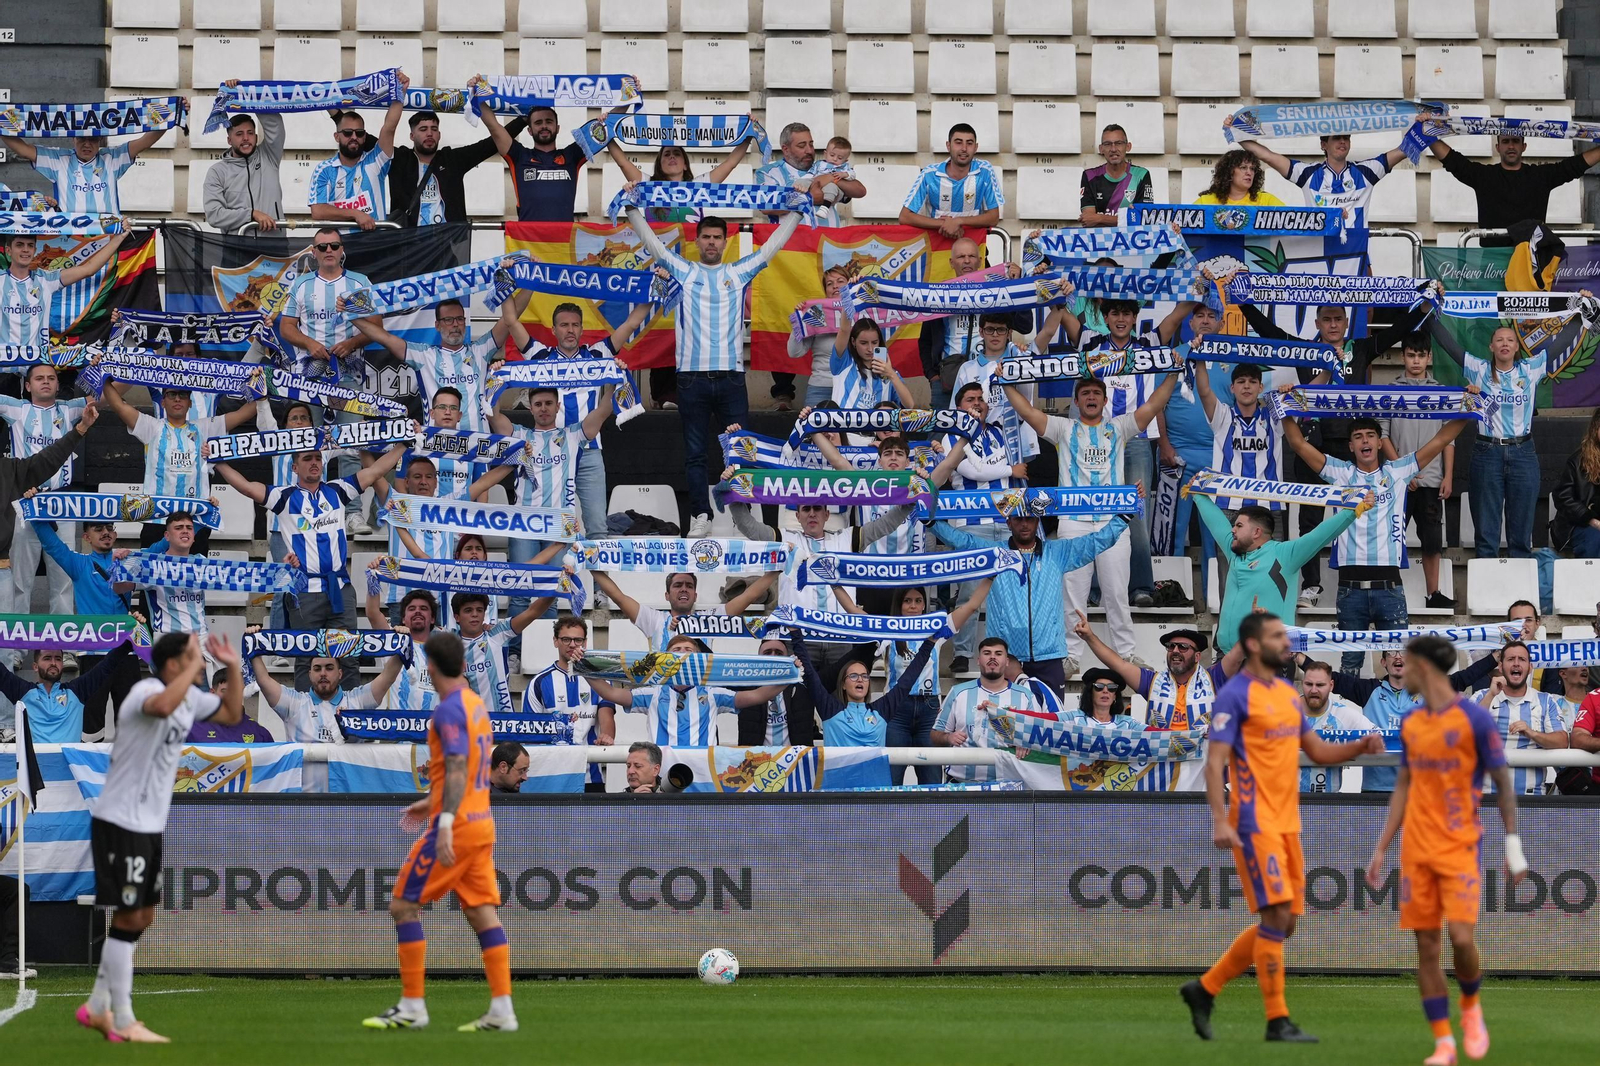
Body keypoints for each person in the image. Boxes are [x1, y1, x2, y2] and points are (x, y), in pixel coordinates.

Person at [1179, 612, 1383, 1045]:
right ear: (1254, 645)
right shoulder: (1234, 696)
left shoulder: (1288, 698)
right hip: (1253, 823)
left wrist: (1360, 746)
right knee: (1275, 916)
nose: (1285, 642)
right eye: (1276, 636)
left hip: (1288, 823)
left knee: (1286, 922)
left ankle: (1205, 988)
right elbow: (1215, 764)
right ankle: (1277, 1020)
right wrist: (1220, 818)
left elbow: (1319, 752)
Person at [1365, 634, 1527, 1065]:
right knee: (1427, 948)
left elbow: (1503, 781)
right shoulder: (1412, 723)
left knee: (1460, 938)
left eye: (1408, 662)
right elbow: (1404, 784)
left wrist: (1514, 845)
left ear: (1426, 668)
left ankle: (1471, 1006)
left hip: (1459, 845)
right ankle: (1444, 1043)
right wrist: (1382, 847)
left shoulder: (1473, 719)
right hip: (1416, 849)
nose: (1401, 667)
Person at [76, 632, 243, 1044]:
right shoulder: (146, 690)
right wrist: (191, 671)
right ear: (173, 664)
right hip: (119, 822)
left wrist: (235, 667)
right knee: (130, 914)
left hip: (148, 825)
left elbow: (232, 714)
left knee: (144, 915)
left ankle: (97, 1007)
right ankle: (122, 1018)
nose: (200, 662)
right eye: (192, 656)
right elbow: (164, 705)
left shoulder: (187, 696)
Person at [364, 631, 515, 1032]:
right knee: (482, 914)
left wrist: (442, 821)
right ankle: (502, 1010)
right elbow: (468, 769)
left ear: (429, 667)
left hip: (459, 825)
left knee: (402, 905)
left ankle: (413, 1006)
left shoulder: (448, 711)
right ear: (463, 666)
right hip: (482, 825)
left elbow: (460, 768)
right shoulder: (475, 705)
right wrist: (430, 802)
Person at [625, 209, 803, 536]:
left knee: (741, 450)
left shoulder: (738, 271)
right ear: (696, 241)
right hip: (691, 379)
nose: (711, 242)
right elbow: (653, 245)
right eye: (705, 237)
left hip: (731, 378)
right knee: (695, 454)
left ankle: (742, 517)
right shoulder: (683, 269)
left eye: (716, 237)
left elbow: (773, 246)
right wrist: (632, 209)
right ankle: (700, 516)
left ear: (725, 242)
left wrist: (797, 212)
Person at [1004, 365, 1182, 667]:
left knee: (1116, 593)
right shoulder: (1064, 429)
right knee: (1073, 594)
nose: (1090, 397)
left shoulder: (1120, 427)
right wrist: (1006, 382)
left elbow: (1153, 404)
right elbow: (1029, 413)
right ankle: (1070, 657)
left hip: (1112, 525)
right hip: (1074, 524)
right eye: (1084, 393)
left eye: (1096, 393)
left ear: (1105, 400)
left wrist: (1174, 372)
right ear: (1076, 402)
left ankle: (1125, 654)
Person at [1281, 414, 1471, 673]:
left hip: (1389, 588)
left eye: (1370, 435)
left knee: (1399, 664)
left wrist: (1469, 410)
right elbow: (1298, 445)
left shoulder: (1398, 471)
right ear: (1351, 446)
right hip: (1350, 590)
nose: (1365, 441)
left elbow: (1442, 438)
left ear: (1380, 442)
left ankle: (1396, 714)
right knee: (1350, 665)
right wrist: (1285, 410)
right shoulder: (1341, 472)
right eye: (1358, 437)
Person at [212, 442, 407, 691]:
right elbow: (248, 488)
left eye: (318, 458)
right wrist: (218, 462)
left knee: (348, 656)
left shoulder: (338, 490)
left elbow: (376, 471)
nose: (314, 462)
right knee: (306, 657)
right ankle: (307, 717)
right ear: (294, 466)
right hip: (304, 591)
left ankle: (349, 719)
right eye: (307, 458)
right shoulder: (283, 497)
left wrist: (403, 445)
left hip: (340, 588)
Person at [930, 509, 1130, 693]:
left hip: (1049, 656)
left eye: (1030, 519)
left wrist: (1124, 516)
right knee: (1007, 725)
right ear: (1008, 522)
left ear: (1038, 521)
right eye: (1018, 519)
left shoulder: (1057, 552)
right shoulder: (995, 553)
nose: (1024, 524)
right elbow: (960, 540)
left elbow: (1096, 542)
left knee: (1050, 724)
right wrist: (928, 519)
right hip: (1006, 657)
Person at [508, 299, 652, 538]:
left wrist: (653, 290)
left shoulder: (598, 354)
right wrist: (520, 279)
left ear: (582, 329)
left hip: (589, 450)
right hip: (550, 454)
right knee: (552, 527)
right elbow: (511, 321)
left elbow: (632, 323)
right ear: (553, 330)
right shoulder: (540, 355)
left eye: (575, 325)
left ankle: (598, 577)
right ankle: (556, 575)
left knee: (597, 527)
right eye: (564, 325)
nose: (570, 330)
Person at [474, 383, 619, 617]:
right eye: (538, 404)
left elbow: (603, 411)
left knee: (550, 592)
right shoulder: (519, 434)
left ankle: (544, 651)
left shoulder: (572, 435)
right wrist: (497, 383)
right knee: (519, 590)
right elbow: (492, 414)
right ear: (530, 408)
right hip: (523, 524)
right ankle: (516, 652)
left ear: (558, 406)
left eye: (548, 404)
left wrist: (612, 382)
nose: (543, 409)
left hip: (558, 527)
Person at [830, 579, 992, 782]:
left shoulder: (936, 628)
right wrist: (834, 584)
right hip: (896, 711)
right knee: (891, 781)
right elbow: (853, 611)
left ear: (925, 604)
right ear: (899, 604)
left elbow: (971, 606)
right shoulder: (888, 629)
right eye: (907, 601)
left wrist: (990, 577)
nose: (913, 606)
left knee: (932, 783)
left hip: (929, 712)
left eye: (918, 600)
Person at [278, 226, 384, 528]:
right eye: (322, 247)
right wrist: (310, 344)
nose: (328, 251)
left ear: (342, 251)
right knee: (309, 443)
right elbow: (286, 328)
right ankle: (315, 511)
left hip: (348, 372)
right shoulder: (301, 284)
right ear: (313, 252)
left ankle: (352, 513)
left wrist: (351, 343)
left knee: (351, 442)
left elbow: (376, 324)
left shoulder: (358, 282)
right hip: (308, 375)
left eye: (334, 246)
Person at [1426, 318, 1547, 560]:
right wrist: (1428, 312)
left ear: (1517, 347)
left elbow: (1559, 339)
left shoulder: (1530, 369)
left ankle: (1520, 596)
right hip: (1487, 452)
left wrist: (1580, 312)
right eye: (1499, 340)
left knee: (1522, 537)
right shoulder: (1478, 369)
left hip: (1523, 452)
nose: (1505, 343)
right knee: (1486, 537)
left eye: (1510, 340)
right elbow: (1449, 344)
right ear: (1491, 347)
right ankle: (1487, 596)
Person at [1075, 618, 1243, 790]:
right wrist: (1089, 637)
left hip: (1203, 772)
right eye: (1171, 646)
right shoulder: (1152, 681)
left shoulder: (1213, 678)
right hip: (1162, 773)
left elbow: (1237, 657)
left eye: (1183, 647)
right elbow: (1118, 664)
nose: (1175, 651)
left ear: (1197, 656)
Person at [1192, 494, 1365, 653]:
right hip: (1229, 657)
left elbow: (1321, 534)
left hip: (1269, 658)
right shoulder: (1234, 551)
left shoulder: (1285, 555)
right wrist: (1198, 493)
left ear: (1256, 532)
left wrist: (1354, 508)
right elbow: (1215, 522)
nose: (1232, 530)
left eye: (1239, 525)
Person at [1316, 647, 1498, 793]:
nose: (1398, 657)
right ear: (1383, 662)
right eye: (1392, 653)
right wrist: (1298, 656)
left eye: (1403, 652)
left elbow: (1463, 678)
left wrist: (1496, 657)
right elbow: (1328, 678)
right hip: (1376, 789)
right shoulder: (1368, 689)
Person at [937, 385, 1027, 670]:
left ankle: (1015, 655)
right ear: (958, 406)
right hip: (972, 526)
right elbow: (971, 471)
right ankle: (962, 653)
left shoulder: (1002, 432)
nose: (977, 403)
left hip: (1008, 523)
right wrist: (1009, 471)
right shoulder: (951, 435)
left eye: (980, 399)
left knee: (1014, 594)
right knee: (969, 593)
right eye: (969, 399)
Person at [347, 291, 525, 433]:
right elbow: (384, 337)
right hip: (437, 446)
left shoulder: (481, 350)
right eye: (448, 320)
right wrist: (351, 315)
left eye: (459, 319)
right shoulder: (424, 355)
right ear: (437, 325)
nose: (455, 324)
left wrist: (530, 281)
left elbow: (509, 318)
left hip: (477, 448)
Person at [32, 518, 143, 732]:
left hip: (125, 653)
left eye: (110, 528)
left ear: (116, 534)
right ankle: (90, 766)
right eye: (98, 529)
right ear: (86, 537)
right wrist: (36, 512)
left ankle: (128, 765)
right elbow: (51, 543)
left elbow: (165, 548)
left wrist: (202, 517)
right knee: (92, 723)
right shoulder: (79, 564)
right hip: (93, 653)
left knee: (131, 723)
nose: (105, 532)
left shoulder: (128, 562)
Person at [585, 633, 787, 747]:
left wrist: (791, 675)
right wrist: (582, 667)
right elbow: (610, 693)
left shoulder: (712, 693)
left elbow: (758, 695)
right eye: (676, 651)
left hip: (701, 773)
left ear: (699, 658)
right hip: (661, 770)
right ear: (665, 657)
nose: (682, 655)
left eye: (688, 650)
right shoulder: (653, 693)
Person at [0, 363, 85, 621]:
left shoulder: (70, 408)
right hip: (25, 502)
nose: (45, 382)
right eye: (39, 378)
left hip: (62, 502)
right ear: (27, 386)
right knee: (20, 581)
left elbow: (105, 396)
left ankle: (62, 650)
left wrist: (103, 366)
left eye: (51, 378)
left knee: (63, 580)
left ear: (59, 384)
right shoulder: (16, 407)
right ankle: (14, 654)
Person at [1382, 334, 1456, 606]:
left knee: (1432, 541)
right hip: (1399, 482)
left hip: (1433, 479)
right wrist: (1402, 471)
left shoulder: (1441, 391)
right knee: (1391, 538)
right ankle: (1388, 592)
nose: (1416, 361)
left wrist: (1448, 476)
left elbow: (1449, 437)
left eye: (1421, 355)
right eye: (1411, 355)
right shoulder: (1390, 390)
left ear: (1429, 358)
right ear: (1403, 357)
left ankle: (1433, 593)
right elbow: (1382, 434)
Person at [1425, 133, 1600, 243]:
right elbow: (1454, 162)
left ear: (1524, 146)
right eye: (1506, 141)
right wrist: (1428, 133)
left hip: (1530, 257)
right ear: (1497, 147)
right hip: (1492, 260)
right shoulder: (1483, 176)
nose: (1510, 146)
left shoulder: (1541, 176)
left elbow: (1574, 166)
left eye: (1516, 141)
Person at [796, 630, 937, 766]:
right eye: (853, 676)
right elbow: (810, 673)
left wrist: (930, 643)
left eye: (864, 676)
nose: (860, 680)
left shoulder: (882, 710)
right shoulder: (830, 709)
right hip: (838, 789)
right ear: (843, 684)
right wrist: (794, 632)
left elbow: (908, 679)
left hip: (875, 789)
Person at [917, 237, 1029, 407]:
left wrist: (1019, 285)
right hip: (947, 381)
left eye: (972, 256)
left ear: (980, 261)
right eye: (961, 257)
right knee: (941, 433)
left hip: (990, 375)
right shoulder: (939, 296)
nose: (967, 261)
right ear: (951, 262)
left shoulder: (996, 292)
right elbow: (925, 341)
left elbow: (1025, 325)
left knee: (991, 428)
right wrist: (933, 376)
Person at [1232, 130, 1408, 231]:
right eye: (1336, 138)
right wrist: (1236, 133)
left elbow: (1404, 149)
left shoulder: (1366, 171)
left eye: (1346, 138)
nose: (1342, 142)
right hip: (1320, 251)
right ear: (1323, 144)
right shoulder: (1308, 174)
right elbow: (1268, 156)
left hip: (1356, 251)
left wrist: (1425, 127)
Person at [1, 111, 177, 213]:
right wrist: (1, 124)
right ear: (73, 139)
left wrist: (172, 112)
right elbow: (22, 149)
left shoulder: (112, 158)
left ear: (100, 140)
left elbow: (145, 141)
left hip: (107, 238)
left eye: (92, 139)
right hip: (71, 238)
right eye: (82, 138)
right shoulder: (59, 160)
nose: (87, 144)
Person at [523, 614, 617, 793]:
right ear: (555, 641)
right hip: (552, 775)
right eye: (566, 639)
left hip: (590, 775)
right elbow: (531, 734)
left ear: (585, 642)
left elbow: (607, 718)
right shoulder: (539, 682)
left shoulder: (601, 680)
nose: (572, 644)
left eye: (578, 639)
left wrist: (606, 736)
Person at [389, 109, 527, 227]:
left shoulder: (452, 159)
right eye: (423, 129)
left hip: (447, 242)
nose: (430, 134)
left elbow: (489, 145)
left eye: (434, 129)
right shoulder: (399, 159)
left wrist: (523, 120)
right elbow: (382, 134)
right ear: (412, 136)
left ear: (439, 135)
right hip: (409, 243)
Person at [251, 642, 405, 745]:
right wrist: (254, 645)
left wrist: (402, 645)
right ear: (310, 674)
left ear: (340, 673)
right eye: (317, 669)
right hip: (304, 792)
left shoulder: (357, 700)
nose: (323, 673)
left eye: (329, 668)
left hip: (346, 792)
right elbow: (264, 680)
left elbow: (388, 677)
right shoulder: (294, 703)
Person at [933, 636, 1040, 784]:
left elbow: (1039, 738)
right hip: (961, 784)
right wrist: (948, 738)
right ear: (978, 660)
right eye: (987, 653)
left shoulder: (1025, 696)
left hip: (1009, 785)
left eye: (998, 653)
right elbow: (934, 734)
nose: (992, 658)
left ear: (1007, 661)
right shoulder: (958, 692)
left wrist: (1024, 741)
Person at [1469, 640, 1571, 796]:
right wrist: (1491, 695)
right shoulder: (1482, 696)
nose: (1516, 664)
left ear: (1530, 668)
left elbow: (1562, 741)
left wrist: (1532, 733)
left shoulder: (1546, 701)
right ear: (1501, 667)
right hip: (1485, 797)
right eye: (1511, 659)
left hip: (1531, 799)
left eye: (1522, 659)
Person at [1, 228, 129, 351]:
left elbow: (89, 269)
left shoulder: (45, 279)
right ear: (8, 250)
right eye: (19, 245)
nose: (25, 250)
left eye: (30, 245)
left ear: (35, 250)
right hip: (4, 362)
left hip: (36, 363)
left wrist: (121, 236)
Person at [591, 569, 776, 653]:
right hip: (664, 695)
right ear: (666, 595)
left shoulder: (710, 618)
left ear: (695, 596)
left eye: (689, 586)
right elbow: (617, 596)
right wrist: (589, 566)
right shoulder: (654, 619)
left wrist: (777, 570)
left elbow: (749, 595)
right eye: (677, 585)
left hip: (701, 695)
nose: (683, 589)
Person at [310, 78, 406, 229]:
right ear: (337, 136)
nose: (354, 137)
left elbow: (389, 127)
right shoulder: (324, 169)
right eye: (348, 133)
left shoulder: (376, 161)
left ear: (365, 136)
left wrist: (401, 92)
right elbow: (317, 211)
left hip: (375, 244)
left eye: (359, 133)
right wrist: (355, 214)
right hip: (341, 246)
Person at [478, 103, 593, 222]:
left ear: (558, 128)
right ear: (530, 130)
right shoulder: (519, 156)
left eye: (549, 121)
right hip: (527, 239)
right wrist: (477, 94)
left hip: (564, 239)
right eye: (538, 123)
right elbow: (494, 127)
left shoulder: (572, 155)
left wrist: (604, 119)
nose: (544, 126)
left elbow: (603, 132)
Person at [0, 642, 136, 743]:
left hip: (69, 772)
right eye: (47, 658)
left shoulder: (77, 691)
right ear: (35, 666)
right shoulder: (22, 691)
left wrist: (132, 631)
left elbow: (108, 664)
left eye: (58, 659)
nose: (53, 663)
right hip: (35, 770)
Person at [898, 123, 1003, 236]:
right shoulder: (930, 175)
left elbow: (993, 218)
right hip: (936, 246)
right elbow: (905, 216)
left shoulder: (985, 172)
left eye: (969, 143)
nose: (964, 148)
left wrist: (958, 221)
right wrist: (944, 224)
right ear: (948, 146)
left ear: (976, 147)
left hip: (974, 248)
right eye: (958, 142)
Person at [756, 123, 866, 230]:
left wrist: (830, 177)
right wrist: (809, 198)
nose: (809, 150)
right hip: (792, 243)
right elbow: (766, 206)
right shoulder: (769, 172)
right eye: (802, 146)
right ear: (786, 149)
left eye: (811, 144)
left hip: (830, 241)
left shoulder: (822, 168)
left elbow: (860, 190)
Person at [203, 93, 286, 232]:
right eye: (239, 134)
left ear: (256, 136)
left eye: (250, 133)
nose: (246, 138)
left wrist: (249, 93)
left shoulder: (269, 155)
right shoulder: (217, 172)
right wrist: (251, 214)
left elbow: (275, 125)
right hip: (236, 248)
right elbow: (214, 215)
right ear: (229, 140)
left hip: (274, 244)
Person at [1298, 660, 1379, 793]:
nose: (1313, 690)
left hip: (1328, 804)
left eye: (1320, 685)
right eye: (1309, 684)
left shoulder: (1344, 714)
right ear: (1302, 684)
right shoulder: (1284, 713)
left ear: (1331, 685)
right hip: (1288, 804)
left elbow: (1381, 738)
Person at [365, 588, 440, 715]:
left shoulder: (444, 650)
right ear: (403, 619)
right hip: (399, 731)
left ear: (432, 619)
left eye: (423, 608)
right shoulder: (393, 642)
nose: (417, 611)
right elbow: (373, 613)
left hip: (434, 730)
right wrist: (373, 581)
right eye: (411, 609)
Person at [737, 635, 817, 747]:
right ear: (758, 658)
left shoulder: (802, 685)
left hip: (796, 761)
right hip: (756, 761)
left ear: (788, 657)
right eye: (767, 653)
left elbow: (835, 671)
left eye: (779, 653)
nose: (773, 657)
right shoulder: (746, 684)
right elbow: (711, 669)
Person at [1079, 123, 1154, 226]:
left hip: (1131, 238)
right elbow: (1089, 219)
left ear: (1128, 146)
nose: (1113, 149)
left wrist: (1100, 218)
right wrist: (1126, 218)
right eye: (1107, 144)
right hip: (1099, 239)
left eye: (1118, 143)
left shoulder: (1141, 175)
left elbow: (1143, 218)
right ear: (1101, 149)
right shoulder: (1089, 176)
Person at [1551, 405, 1600, 556]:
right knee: (1595, 539)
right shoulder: (1578, 460)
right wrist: (1592, 520)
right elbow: (1563, 498)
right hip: (1579, 525)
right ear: (1595, 429)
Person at [1193, 149, 1286, 206]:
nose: (1249, 172)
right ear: (1229, 172)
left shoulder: (1266, 201)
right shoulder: (1205, 202)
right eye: (1243, 167)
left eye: (1252, 169)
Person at [1069, 667, 1134, 724]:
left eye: (1111, 688)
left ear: (1115, 696)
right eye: (1099, 687)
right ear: (1090, 693)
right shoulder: (1073, 718)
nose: (1105, 691)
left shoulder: (1128, 724)